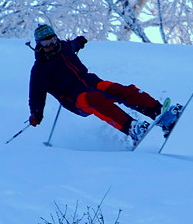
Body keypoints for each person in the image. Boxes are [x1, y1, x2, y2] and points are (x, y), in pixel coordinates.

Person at [28, 24, 168, 143]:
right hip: (74, 98)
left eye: (52, 40)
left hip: (91, 82)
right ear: (38, 45)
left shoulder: (64, 47)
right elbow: (36, 95)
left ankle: (159, 112)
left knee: (120, 90)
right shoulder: (40, 69)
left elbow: (73, 45)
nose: (51, 45)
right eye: (46, 43)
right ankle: (131, 128)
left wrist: (79, 41)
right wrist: (36, 114)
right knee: (95, 98)